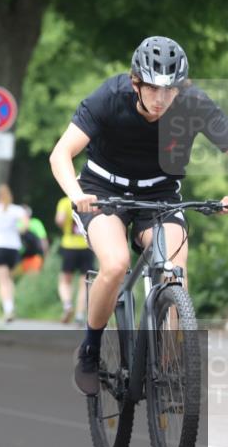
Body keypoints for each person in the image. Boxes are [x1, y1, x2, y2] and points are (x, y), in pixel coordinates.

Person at [49, 36, 228, 395]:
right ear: (136, 82)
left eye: (171, 90)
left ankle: (171, 370)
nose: (162, 99)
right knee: (115, 265)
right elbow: (60, 154)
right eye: (154, 89)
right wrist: (76, 195)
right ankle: (90, 349)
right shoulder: (110, 97)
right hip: (102, 191)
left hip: (160, 193)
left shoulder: (193, 104)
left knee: (174, 270)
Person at [0, 184, 29, 322]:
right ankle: (11, 305)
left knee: (2, 281)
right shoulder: (17, 210)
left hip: (0, 247)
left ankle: (8, 309)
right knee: (9, 279)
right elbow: (25, 227)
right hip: (14, 248)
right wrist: (17, 229)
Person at [55, 196, 93, 324]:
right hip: (86, 246)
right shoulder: (90, 200)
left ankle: (67, 304)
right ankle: (79, 315)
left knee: (64, 281)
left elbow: (60, 220)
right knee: (84, 283)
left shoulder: (65, 201)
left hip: (69, 246)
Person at [18, 205, 48, 274]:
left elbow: (43, 241)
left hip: (33, 257)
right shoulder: (36, 223)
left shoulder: (36, 223)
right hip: (20, 259)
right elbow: (44, 241)